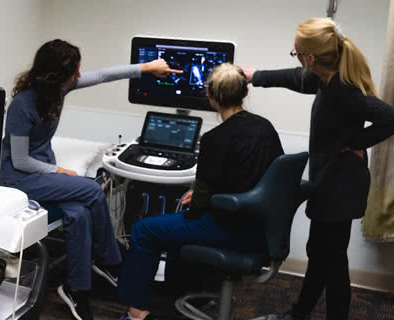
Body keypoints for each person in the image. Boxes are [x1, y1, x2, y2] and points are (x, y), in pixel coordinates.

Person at [1, 39, 181, 320]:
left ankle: (77, 289)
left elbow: (105, 75)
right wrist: (59, 172)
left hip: (40, 172)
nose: (80, 74)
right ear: (60, 74)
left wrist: (146, 67)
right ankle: (111, 261)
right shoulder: (23, 105)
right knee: (92, 191)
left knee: (79, 213)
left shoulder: (60, 89)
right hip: (17, 177)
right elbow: (21, 160)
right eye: (76, 69)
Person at [243, 18, 394, 320]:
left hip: (340, 187)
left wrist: (355, 141)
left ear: (311, 58)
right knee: (320, 255)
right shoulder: (325, 79)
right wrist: (256, 76)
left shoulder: (342, 90)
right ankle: (299, 313)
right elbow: (297, 79)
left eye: (297, 53)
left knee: (332, 263)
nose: (296, 59)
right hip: (329, 181)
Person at [115, 64, 284, 320]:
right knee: (173, 223)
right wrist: (212, 192)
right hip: (262, 229)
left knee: (144, 230)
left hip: (232, 229)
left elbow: (197, 211)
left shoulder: (214, 139)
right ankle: (180, 291)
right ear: (245, 93)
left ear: (211, 97)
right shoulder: (265, 127)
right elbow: (263, 179)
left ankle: (136, 313)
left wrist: (203, 196)